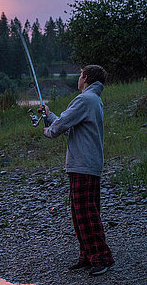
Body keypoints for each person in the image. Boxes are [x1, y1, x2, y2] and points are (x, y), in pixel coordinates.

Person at [42, 65, 114, 276]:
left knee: (85, 213)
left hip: (83, 165)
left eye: (81, 75)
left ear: (87, 78)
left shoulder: (85, 100)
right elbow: (69, 125)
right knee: (81, 212)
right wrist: (49, 115)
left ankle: (102, 258)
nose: (78, 78)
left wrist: (48, 130)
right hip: (87, 164)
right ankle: (88, 256)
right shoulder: (93, 100)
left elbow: (59, 127)